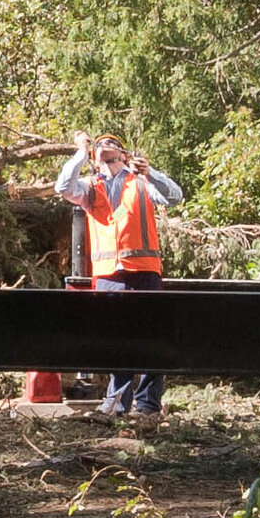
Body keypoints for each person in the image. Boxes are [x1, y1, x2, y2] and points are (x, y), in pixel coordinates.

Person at [54, 130, 185, 417]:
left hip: (144, 272)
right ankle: (116, 404)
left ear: (123, 155)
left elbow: (175, 197)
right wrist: (80, 152)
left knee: (153, 338)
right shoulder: (90, 188)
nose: (106, 147)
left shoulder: (139, 181)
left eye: (112, 144)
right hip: (108, 275)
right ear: (94, 157)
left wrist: (152, 173)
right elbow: (63, 186)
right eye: (100, 146)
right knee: (116, 340)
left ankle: (148, 406)